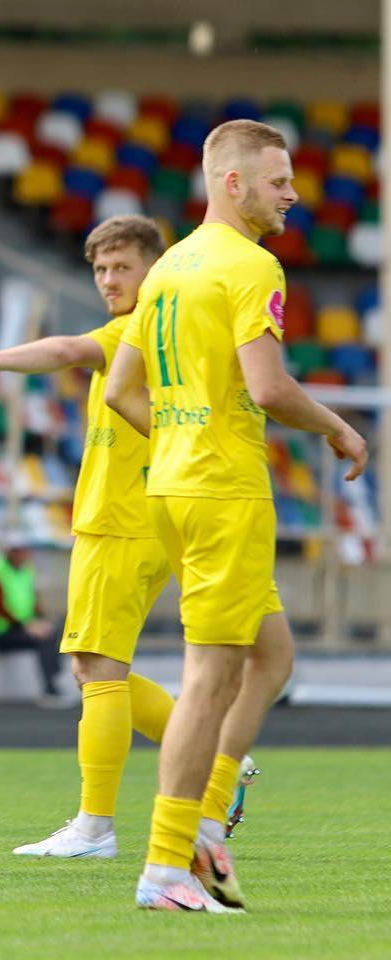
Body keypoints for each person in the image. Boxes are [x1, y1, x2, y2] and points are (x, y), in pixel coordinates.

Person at [105, 119, 367, 912]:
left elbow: (119, 391)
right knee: (209, 677)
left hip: (173, 486)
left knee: (270, 657)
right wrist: (340, 428)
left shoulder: (169, 268)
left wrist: (181, 443)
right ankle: (165, 867)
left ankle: (209, 820)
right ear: (233, 183)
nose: (293, 195)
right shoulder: (252, 265)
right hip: (224, 491)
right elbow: (270, 388)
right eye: (279, 182)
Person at [0, 215, 182, 856]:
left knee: (98, 669)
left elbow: (65, 350)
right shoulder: (175, 330)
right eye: (100, 269)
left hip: (120, 520)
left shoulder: (136, 329)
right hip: (146, 517)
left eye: (123, 267)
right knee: (96, 667)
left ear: (155, 268)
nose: (109, 280)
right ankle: (214, 758)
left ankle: (97, 827)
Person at [0, 540, 64, 702]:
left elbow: (32, 600)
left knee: (53, 630)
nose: (23, 555)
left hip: (19, 627)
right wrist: (28, 626)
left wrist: (42, 621)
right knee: (44, 639)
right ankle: (50, 688)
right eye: (18, 551)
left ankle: (54, 679)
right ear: (9, 552)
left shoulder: (26, 570)